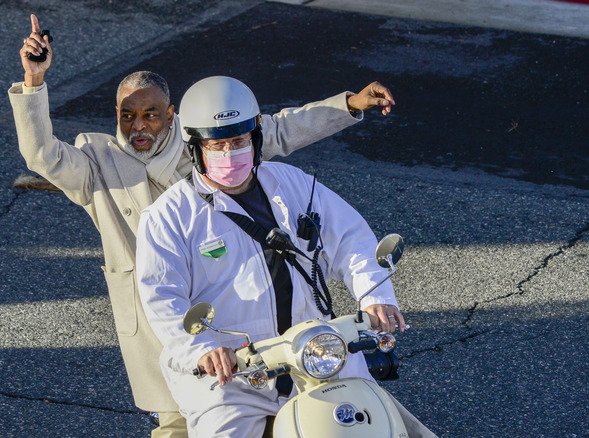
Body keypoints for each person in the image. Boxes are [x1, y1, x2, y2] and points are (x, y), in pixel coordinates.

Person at [10, 14, 396, 438]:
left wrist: (348, 104)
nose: (138, 126)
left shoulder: (217, 139)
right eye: (127, 115)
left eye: (151, 114)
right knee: (179, 423)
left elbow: (281, 129)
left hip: (264, 322)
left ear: (174, 117)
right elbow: (43, 155)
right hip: (171, 319)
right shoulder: (98, 163)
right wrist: (34, 81)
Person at [136, 76, 435, 437]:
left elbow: (352, 241)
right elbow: (162, 296)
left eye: (238, 141)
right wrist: (201, 349)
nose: (229, 153)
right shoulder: (168, 217)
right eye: (217, 146)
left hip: (317, 357)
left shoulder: (295, 185)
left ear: (256, 137)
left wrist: (376, 297)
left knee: (400, 431)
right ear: (196, 148)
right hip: (233, 377)